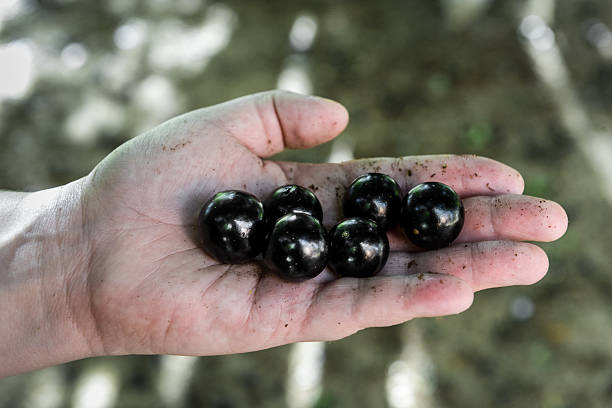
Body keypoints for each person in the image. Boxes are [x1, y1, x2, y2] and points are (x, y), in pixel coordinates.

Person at [0, 91, 568, 378]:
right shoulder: (280, 224)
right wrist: (75, 244)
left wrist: (66, 253)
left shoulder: (361, 221)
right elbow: (292, 233)